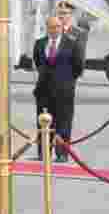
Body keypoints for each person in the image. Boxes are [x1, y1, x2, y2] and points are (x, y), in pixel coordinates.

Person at [33, 15, 84, 163]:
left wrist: (66, 81)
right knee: (43, 122)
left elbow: (78, 67)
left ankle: (62, 153)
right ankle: (43, 152)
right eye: (50, 27)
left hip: (64, 91)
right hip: (43, 90)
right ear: (47, 28)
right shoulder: (40, 43)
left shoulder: (72, 44)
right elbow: (38, 62)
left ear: (61, 27)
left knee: (64, 121)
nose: (54, 30)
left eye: (56, 27)